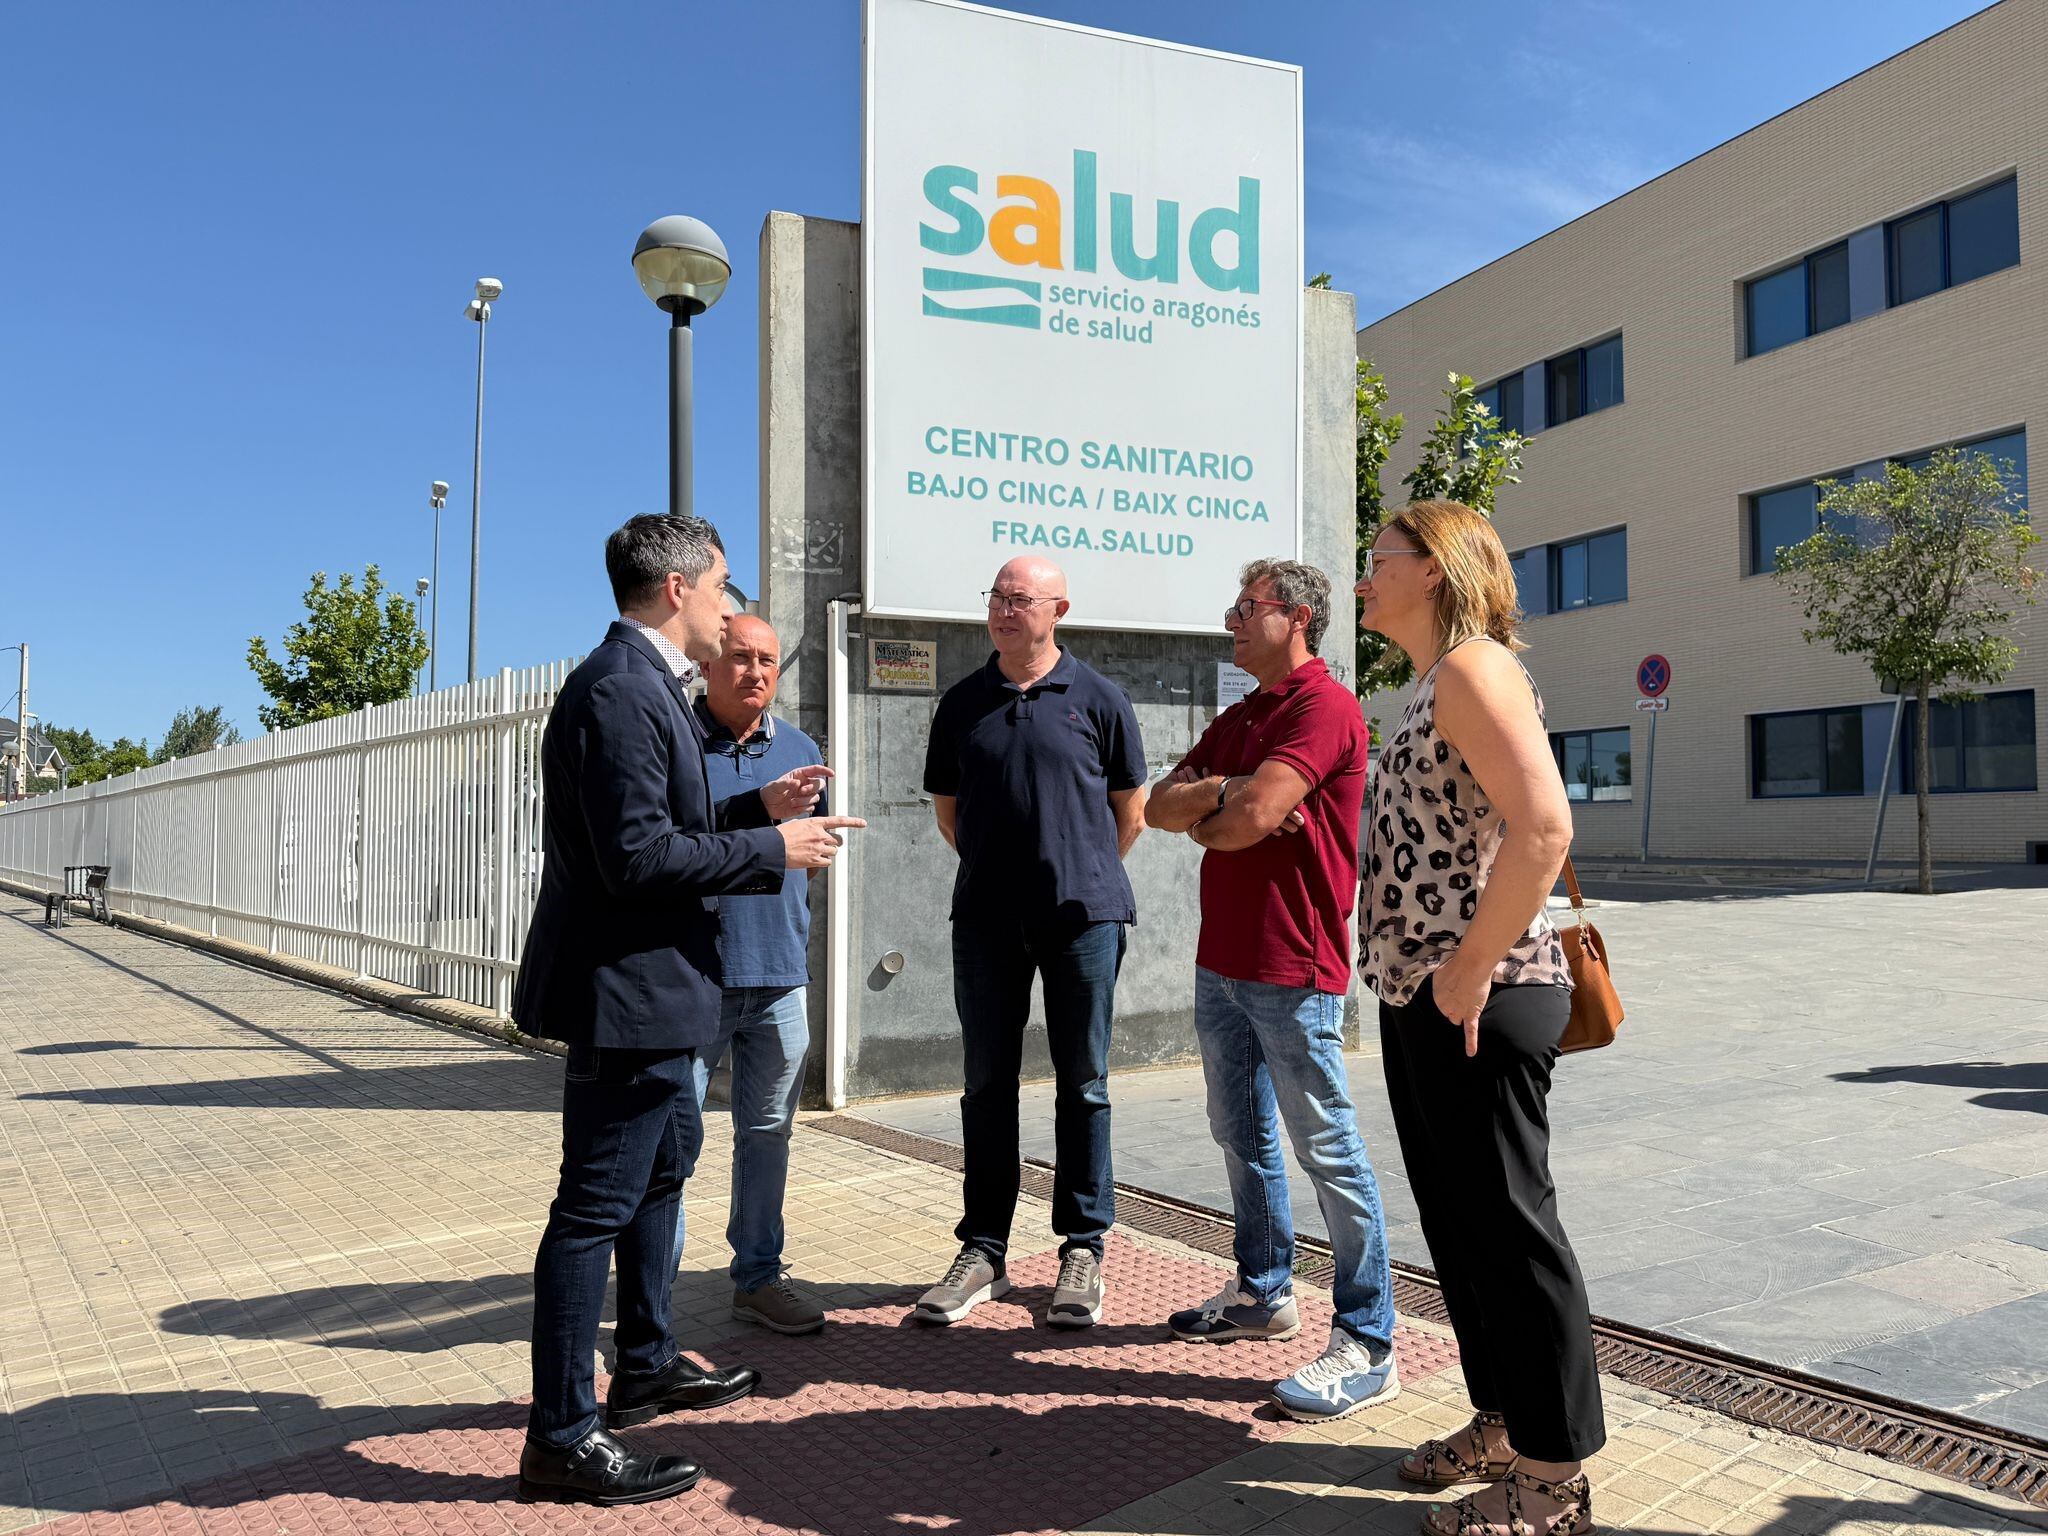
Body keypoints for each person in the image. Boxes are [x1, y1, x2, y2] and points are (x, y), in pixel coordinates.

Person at [513, 514, 864, 1506]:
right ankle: (561, 1438)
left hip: (660, 994)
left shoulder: (636, 686)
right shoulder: (624, 690)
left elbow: (662, 828)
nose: (725, 604)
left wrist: (757, 813)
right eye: (718, 587)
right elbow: (634, 861)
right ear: (677, 590)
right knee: (592, 1210)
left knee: (659, 1176)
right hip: (630, 997)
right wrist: (770, 854)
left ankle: (646, 1366)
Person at [1356, 500, 1601, 1536]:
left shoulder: (1474, 670)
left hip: (1479, 996)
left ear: (1435, 568)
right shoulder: (1426, 684)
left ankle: (1550, 1485)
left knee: (1510, 1232)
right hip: (1427, 993)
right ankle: (1503, 1425)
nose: (1363, 572)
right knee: (1461, 1229)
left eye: (1379, 556)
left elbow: (1545, 827)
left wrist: (1466, 969)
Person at [1142, 558, 1399, 1425]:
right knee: (1238, 1132)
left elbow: (1251, 824)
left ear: (1297, 617)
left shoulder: (1324, 706)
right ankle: (1263, 1292)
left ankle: (1369, 1340)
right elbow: (1155, 807)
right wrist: (1225, 791)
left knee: (1328, 1150)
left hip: (1295, 967)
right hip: (1223, 962)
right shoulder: (1244, 714)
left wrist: (1228, 812)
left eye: (1246, 608)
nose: (1231, 621)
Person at [913, 556, 1147, 1329]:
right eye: (996, 597)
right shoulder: (962, 705)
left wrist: (1073, 872)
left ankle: (1082, 1247)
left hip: (1083, 918)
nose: (1003, 610)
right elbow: (951, 816)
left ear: (1059, 610)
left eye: (1020, 599)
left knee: (1084, 1083)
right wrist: (1007, 873)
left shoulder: (1101, 700)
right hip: (986, 920)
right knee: (987, 1087)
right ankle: (983, 1251)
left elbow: (1130, 812)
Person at [675, 613, 829, 1336]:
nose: (757, 672)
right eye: (741, 657)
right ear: (710, 664)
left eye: (769, 660)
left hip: (779, 976)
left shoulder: (799, 748)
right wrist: (760, 822)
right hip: (693, 977)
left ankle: (759, 1279)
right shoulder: (671, 740)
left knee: (767, 1134)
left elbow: (805, 848)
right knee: (672, 1141)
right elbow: (660, 846)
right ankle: (652, 1298)